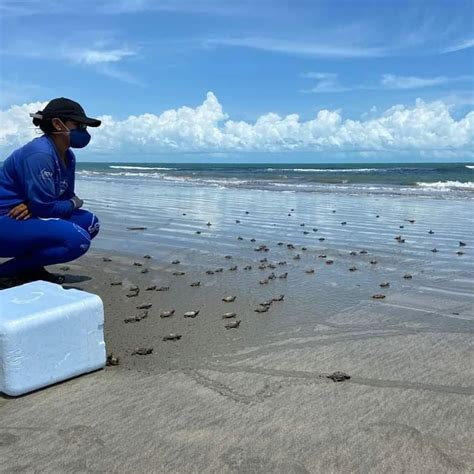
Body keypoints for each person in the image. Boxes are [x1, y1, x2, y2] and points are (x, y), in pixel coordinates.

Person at [0, 97, 101, 284]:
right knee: (78, 239)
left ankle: (30, 269)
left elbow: (62, 198)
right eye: (79, 125)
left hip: (27, 216)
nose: (83, 131)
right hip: (7, 218)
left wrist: (38, 205)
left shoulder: (68, 156)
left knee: (91, 223)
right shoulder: (39, 153)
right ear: (57, 124)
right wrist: (55, 205)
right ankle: (5, 272)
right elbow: (52, 206)